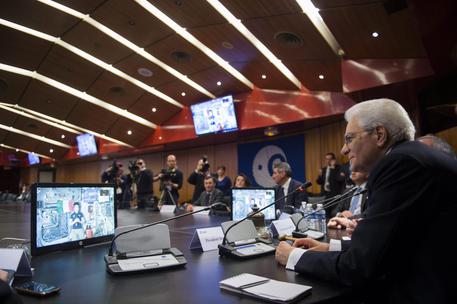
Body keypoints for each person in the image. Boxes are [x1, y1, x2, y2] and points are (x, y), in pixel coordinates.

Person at [275, 98, 457, 303]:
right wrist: (330, 247)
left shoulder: (400, 163)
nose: (344, 150)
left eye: (349, 138)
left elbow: (360, 267)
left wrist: (293, 257)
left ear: (379, 135)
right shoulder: (412, 157)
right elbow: (389, 242)